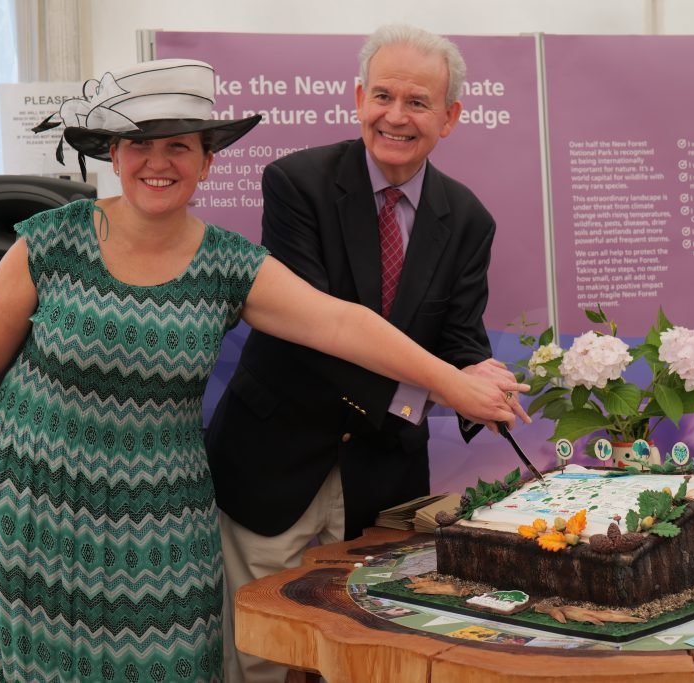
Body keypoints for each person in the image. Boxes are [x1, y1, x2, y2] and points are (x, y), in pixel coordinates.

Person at [0, 58, 525, 682]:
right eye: (140, 145)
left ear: (207, 161)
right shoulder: (49, 244)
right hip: (27, 509)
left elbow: (343, 324)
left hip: (162, 525)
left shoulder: (230, 266)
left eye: (179, 146)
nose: (159, 162)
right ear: (115, 155)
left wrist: (454, 382)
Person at [205, 24, 530, 683]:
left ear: (450, 116)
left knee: (375, 652)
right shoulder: (295, 184)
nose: (396, 116)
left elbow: (460, 337)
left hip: (383, 474)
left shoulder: (468, 219)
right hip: (274, 462)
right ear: (357, 99)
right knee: (258, 657)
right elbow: (317, 333)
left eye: (418, 101)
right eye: (382, 95)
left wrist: (481, 381)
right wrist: (438, 387)